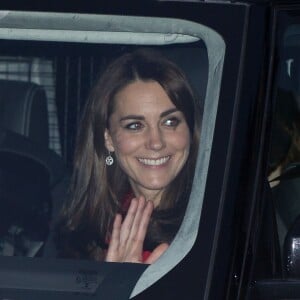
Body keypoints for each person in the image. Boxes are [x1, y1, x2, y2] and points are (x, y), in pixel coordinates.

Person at [54, 48, 202, 264]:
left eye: (170, 122)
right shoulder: (83, 230)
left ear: (190, 130)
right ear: (108, 139)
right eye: (135, 125)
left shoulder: (214, 226)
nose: (156, 142)